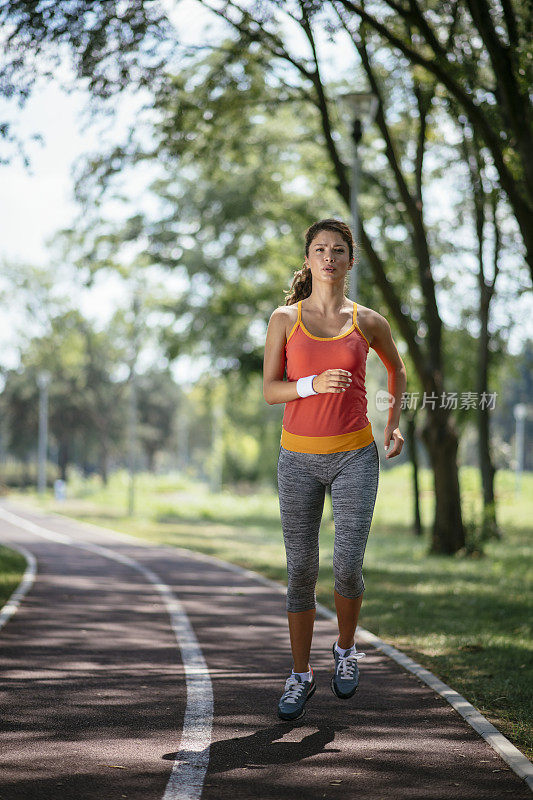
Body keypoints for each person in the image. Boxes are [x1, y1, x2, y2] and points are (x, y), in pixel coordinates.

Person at [262, 218, 407, 721]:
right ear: (308, 259)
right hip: (296, 459)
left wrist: (392, 424)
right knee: (300, 570)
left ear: (350, 260)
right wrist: (310, 385)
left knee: (346, 565)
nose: (328, 257)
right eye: (319, 249)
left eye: (338, 250)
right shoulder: (284, 318)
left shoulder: (367, 321)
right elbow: (270, 390)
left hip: (354, 458)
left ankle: (345, 650)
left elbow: (397, 367)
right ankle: (300, 675)